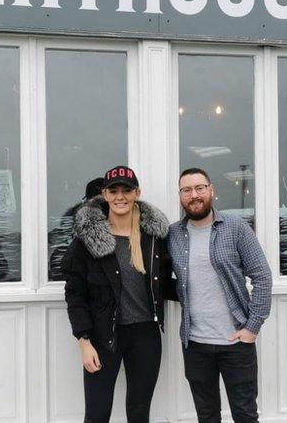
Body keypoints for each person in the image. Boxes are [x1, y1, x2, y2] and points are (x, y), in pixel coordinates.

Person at [62, 165, 174, 423]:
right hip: (103, 337)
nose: (120, 196)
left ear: (137, 193)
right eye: (114, 190)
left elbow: (167, 282)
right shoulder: (88, 239)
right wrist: (83, 341)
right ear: (105, 194)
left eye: (126, 189)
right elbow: (75, 292)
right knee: (97, 414)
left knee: (139, 412)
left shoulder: (153, 238)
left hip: (145, 334)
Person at [167, 167, 272, 423]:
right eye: (187, 190)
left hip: (236, 343)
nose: (194, 195)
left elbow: (262, 276)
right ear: (180, 196)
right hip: (195, 344)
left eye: (200, 188)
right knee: (207, 416)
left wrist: (252, 327)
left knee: (245, 414)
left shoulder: (235, 227)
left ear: (211, 190)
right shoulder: (172, 235)